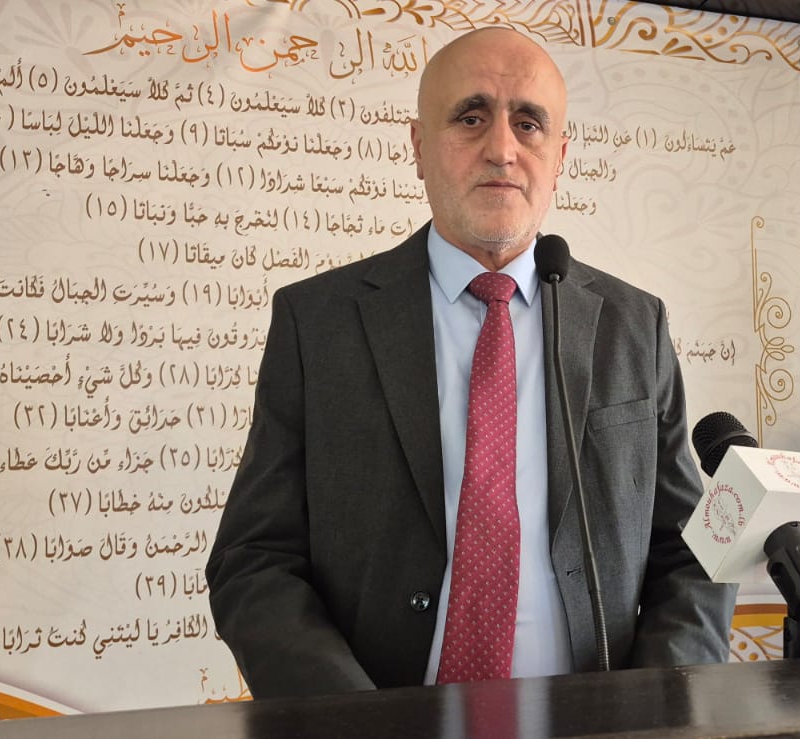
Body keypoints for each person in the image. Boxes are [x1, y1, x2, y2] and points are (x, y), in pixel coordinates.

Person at [205, 27, 736, 699]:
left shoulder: (635, 325)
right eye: (471, 117)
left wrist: (644, 712)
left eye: (529, 123)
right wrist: (354, 722)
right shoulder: (318, 323)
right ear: (418, 147)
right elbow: (255, 559)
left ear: (560, 156)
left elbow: (691, 553)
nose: (502, 149)